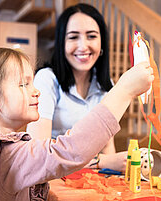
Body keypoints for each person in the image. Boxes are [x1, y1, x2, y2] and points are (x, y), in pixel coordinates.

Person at [0, 47, 152, 201]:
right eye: (24, 84)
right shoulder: (4, 155)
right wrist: (124, 90)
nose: (37, 91)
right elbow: (70, 150)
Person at [27, 3, 127, 172]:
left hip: (91, 180)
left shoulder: (105, 84)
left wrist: (113, 169)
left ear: (102, 42)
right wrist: (102, 162)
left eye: (92, 36)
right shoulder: (47, 79)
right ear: (61, 43)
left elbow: (107, 147)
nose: (83, 46)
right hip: (53, 178)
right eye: (73, 37)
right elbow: (39, 153)